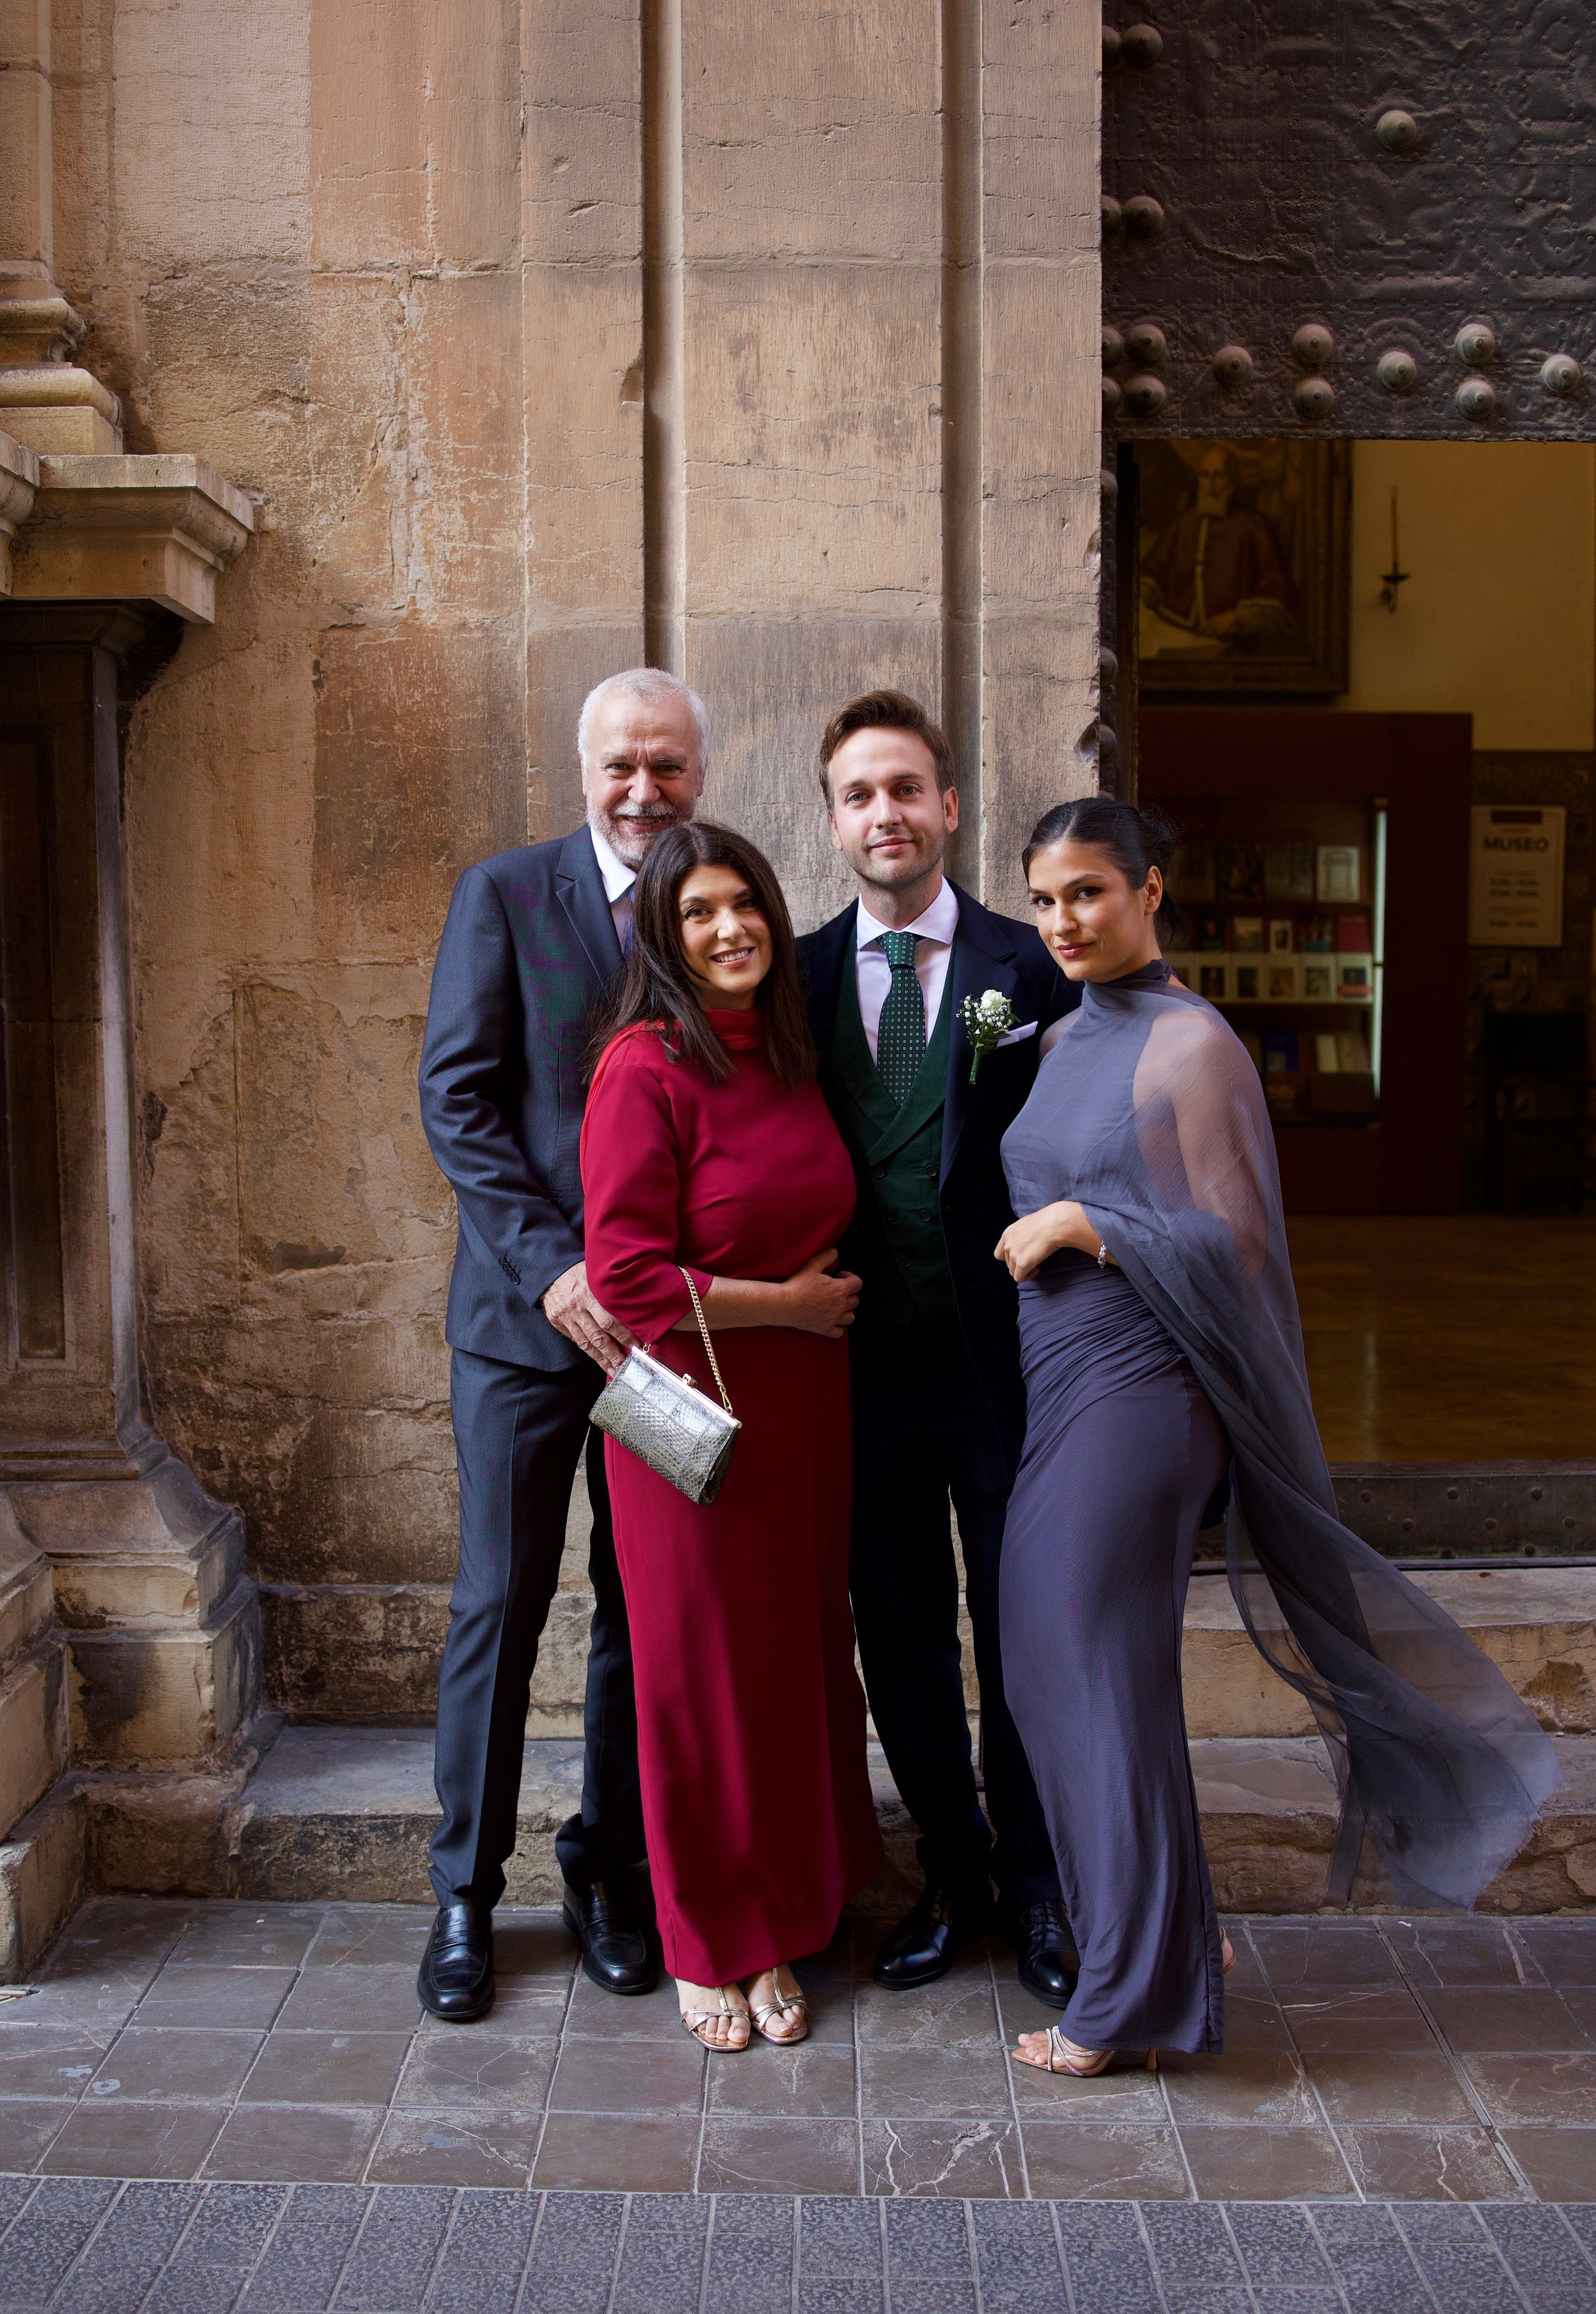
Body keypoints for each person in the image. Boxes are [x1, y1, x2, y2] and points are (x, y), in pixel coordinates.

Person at [997, 796, 1561, 2076]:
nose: (1062, 919)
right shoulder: (1068, 1029)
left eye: (1086, 890)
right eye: (1042, 897)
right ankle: (1156, 1953)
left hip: (1145, 1397)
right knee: (1052, 1668)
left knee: (1094, 1678)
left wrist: (1090, 1222)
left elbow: (1237, 1246)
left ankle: (1122, 2001)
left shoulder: (1192, 1045)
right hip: (1063, 1386)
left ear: (1148, 887)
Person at [415, 666, 708, 2022]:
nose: (643, 789)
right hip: (525, 1332)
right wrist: (551, 1270)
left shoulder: (713, 905)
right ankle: (465, 1895)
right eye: (620, 766)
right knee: (501, 1601)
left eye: (667, 764)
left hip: (654, 1341)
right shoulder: (505, 895)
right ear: (581, 770)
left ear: (697, 771)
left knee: (641, 1616)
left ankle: (609, 1876)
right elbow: (458, 1099)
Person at [796, 690, 1080, 2007]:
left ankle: (1034, 1881)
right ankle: (949, 1870)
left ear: (948, 807)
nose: (885, 814)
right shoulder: (788, 979)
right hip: (856, 1373)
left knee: (1020, 1625)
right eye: (859, 793)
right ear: (833, 816)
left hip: (1002, 1362)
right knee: (896, 1629)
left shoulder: (1028, 967)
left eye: (906, 788)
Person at [580, 820, 882, 2050]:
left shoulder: (789, 1056)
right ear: (662, 933)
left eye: (743, 903)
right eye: (697, 911)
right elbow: (627, 1277)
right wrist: (789, 1306)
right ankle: (712, 1940)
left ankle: (793, 1907)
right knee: (698, 1680)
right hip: (691, 1420)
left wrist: (803, 1322)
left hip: (806, 1412)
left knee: (792, 1658)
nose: (727, 928)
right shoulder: (639, 1067)